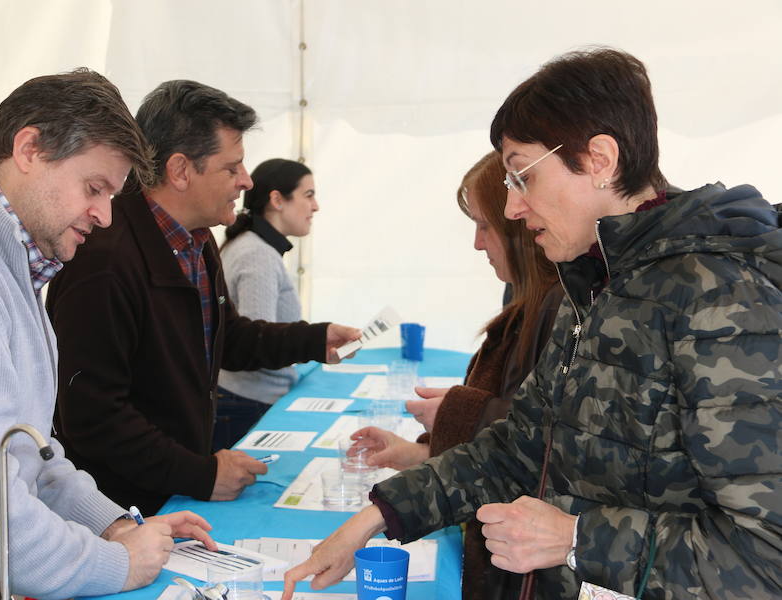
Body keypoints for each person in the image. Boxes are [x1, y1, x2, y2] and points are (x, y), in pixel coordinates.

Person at [283, 47, 782, 600]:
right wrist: (375, 517)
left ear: (599, 159)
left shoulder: (720, 299)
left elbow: (765, 556)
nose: (514, 209)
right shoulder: (594, 278)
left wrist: (574, 540)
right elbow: (522, 446)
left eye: (521, 176)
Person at [0, 69, 217, 600]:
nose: (105, 216)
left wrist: (114, 526)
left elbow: (28, 453)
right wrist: (115, 565)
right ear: (29, 148)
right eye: (94, 188)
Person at [46, 80, 360, 516]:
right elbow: (94, 417)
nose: (246, 181)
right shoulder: (105, 261)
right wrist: (201, 473)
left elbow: (224, 337)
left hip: (170, 492)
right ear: (180, 170)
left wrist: (313, 340)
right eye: (232, 169)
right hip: (119, 513)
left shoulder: (195, 239)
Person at [348, 150, 561, 599]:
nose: (478, 243)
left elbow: (540, 441)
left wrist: (461, 414)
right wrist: (419, 453)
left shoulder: (558, 308)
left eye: (485, 226)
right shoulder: (531, 300)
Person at [214, 158, 319, 450]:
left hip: (248, 400)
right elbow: (256, 344)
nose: (316, 206)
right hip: (249, 405)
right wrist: (315, 341)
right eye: (308, 195)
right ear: (277, 200)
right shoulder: (257, 254)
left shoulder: (254, 246)